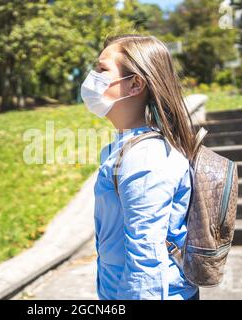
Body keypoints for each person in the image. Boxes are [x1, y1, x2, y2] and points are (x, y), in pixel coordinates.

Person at [80, 34, 200, 300]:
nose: (91, 78)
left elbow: (146, 259)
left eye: (102, 70)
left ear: (135, 84)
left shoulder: (145, 158)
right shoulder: (126, 149)